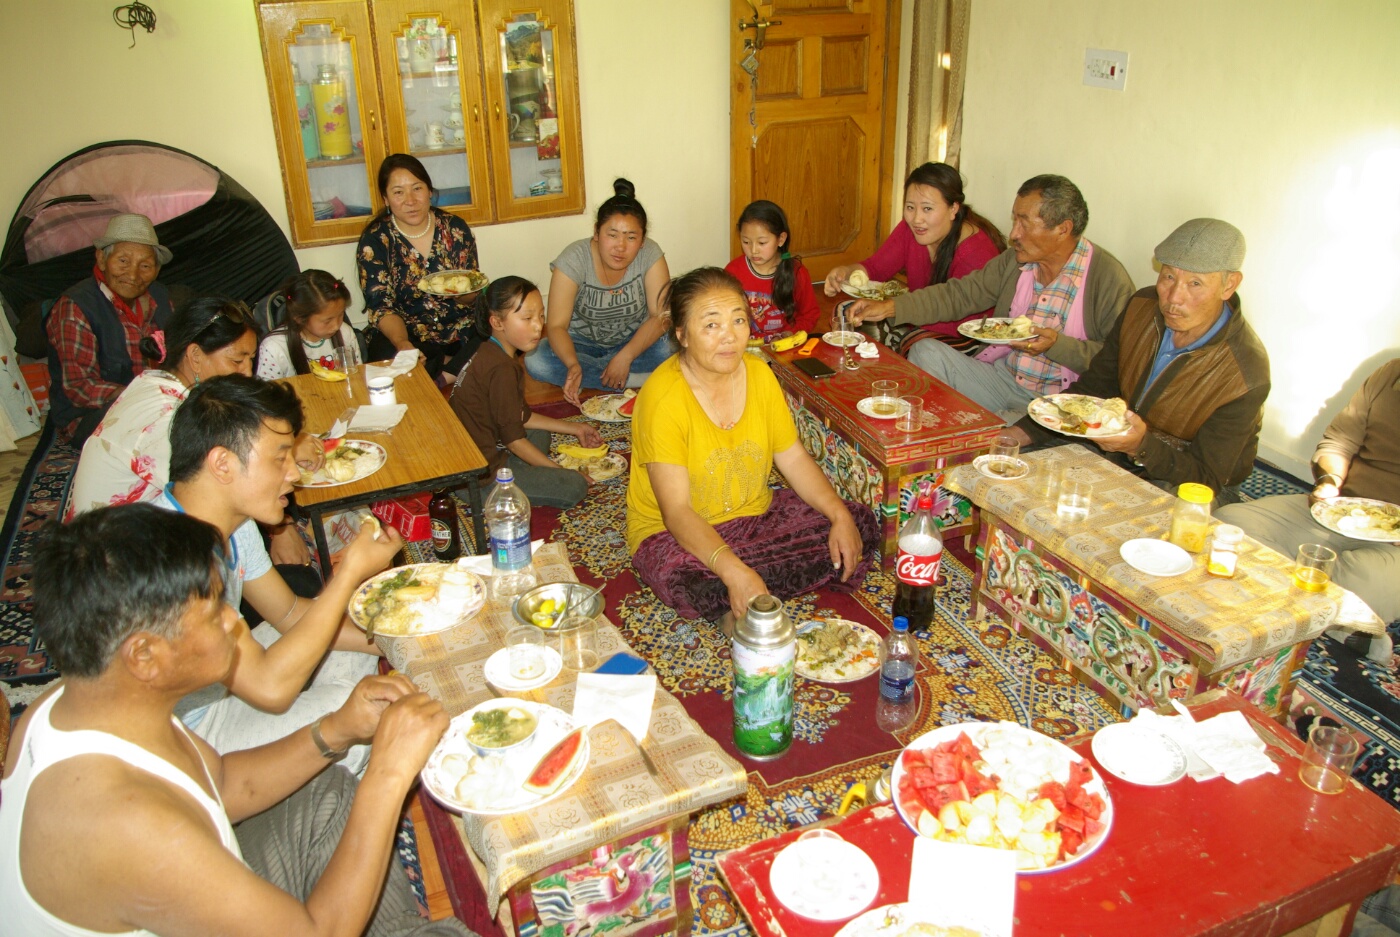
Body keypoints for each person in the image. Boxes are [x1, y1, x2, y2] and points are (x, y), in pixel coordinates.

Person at [0, 503, 471, 937]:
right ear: (144, 654)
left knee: (328, 791)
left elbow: (221, 784)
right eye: (212, 611)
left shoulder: (79, 699)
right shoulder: (125, 823)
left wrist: (338, 729)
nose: (234, 622)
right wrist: (389, 774)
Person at [155, 374, 397, 771]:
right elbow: (271, 690)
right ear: (222, 463)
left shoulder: (233, 523)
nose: (294, 474)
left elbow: (289, 615)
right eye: (279, 457)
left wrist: (396, 641)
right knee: (363, 713)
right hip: (187, 737)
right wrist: (350, 572)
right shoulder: (168, 560)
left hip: (225, 681)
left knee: (357, 649)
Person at [627, 266, 880, 622]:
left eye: (738, 321)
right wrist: (733, 571)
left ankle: (745, 595)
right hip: (674, 533)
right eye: (711, 325)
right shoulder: (662, 397)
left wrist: (838, 515)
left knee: (858, 522)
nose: (729, 337)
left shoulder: (760, 374)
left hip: (755, 517)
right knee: (688, 579)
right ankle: (741, 590)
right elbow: (677, 512)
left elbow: (792, 458)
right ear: (682, 335)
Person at [1013, 218, 1268, 502]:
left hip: (1189, 481)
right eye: (1169, 277)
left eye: (1195, 283)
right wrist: (1022, 432)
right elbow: (1094, 388)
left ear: (1229, 285)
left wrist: (1140, 446)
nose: (1173, 298)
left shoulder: (1245, 373)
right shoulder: (1141, 309)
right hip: (1122, 450)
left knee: (1130, 528)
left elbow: (1207, 478)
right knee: (1019, 470)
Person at [65, 297, 323, 576]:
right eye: (237, 360)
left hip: (142, 542)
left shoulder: (162, 385)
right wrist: (279, 529)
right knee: (300, 577)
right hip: (117, 571)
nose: (248, 372)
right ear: (195, 356)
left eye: (251, 359)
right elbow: (223, 493)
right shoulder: (164, 420)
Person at [849, 174, 1134, 422]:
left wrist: (1057, 345)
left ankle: (985, 425)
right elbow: (959, 294)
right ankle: (973, 424)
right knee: (925, 351)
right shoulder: (1015, 261)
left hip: (1058, 403)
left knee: (1003, 430)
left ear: (1063, 228)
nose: (1013, 234)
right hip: (1002, 377)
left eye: (1024, 223)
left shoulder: (1106, 277)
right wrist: (890, 307)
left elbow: (1118, 364)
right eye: (1014, 220)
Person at [1217, 358, 1400, 626]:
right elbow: (1339, 442)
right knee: (1230, 523)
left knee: (1366, 582)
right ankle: (1340, 620)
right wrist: (1329, 481)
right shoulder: (1390, 373)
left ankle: (1295, 593)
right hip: (1345, 509)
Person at [450, 276, 604, 509]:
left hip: (481, 453)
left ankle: (522, 470)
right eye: (527, 318)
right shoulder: (501, 368)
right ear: (497, 322)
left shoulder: (490, 351)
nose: (538, 326)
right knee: (574, 486)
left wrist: (576, 428)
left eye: (541, 316)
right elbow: (514, 442)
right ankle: (508, 484)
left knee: (540, 435)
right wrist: (560, 472)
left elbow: (521, 416)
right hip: (478, 480)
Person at [825, 162, 1005, 355]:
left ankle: (892, 363)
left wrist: (895, 311)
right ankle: (872, 366)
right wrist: (846, 272)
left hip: (966, 336)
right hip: (916, 318)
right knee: (846, 312)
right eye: (910, 207)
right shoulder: (910, 229)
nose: (916, 219)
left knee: (916, 342)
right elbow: (875, 267)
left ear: (953, 208)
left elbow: (963, 320)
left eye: (927, 209)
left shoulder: (976, 252)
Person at [524, 179, 673, 406]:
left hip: (634, 342)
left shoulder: (651, 254)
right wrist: (573, 364)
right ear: (596, 232)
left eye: (631, 237)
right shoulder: (574, 259)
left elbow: (661, 316)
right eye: (612, 235)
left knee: (673, 342)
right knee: (537, 360)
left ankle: (600, 375)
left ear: (642, 240)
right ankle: (636, 380)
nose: (620, 246)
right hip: (581, 346)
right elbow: (555, 327)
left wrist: (626, 356)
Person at [45, 212, 176, 446]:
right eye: (123, 261)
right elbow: (80, 387)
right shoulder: (75, 307)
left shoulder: (160, 296)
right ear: (102, 260)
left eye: (145, 265)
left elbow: (178, 353)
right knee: (165, 436)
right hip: (90, 415)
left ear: (156, 270)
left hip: (157, 401)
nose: (133, 275)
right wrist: (142, 397)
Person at [358, 154, 481, 381]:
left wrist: (464, 294)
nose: (410, 200)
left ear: (429, 191)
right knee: (387, 356)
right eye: (398, 192)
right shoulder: (376, 240)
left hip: (458, 327)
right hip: (408, 331)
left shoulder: (455, 228)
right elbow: (381, 307)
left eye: (417, 188)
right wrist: (402, 343)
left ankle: (445, 373)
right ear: (385, 199)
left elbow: (471, 291)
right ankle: (458, 368)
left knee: (498, 331)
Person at [724, 200, 820, 338]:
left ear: (781, 239)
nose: (753, 250)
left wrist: (789, 334)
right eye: (746, 242)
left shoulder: (797, 273)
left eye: (762, 243)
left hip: (784, 345)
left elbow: (809, 314)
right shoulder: (733, 271)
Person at [256, 269, 362, 380]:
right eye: (327, 321)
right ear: (299, 318)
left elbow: (357, 378)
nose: (336, 326)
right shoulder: (274, 348)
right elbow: (267, 394)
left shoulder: (345, 333)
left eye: (341, 315)